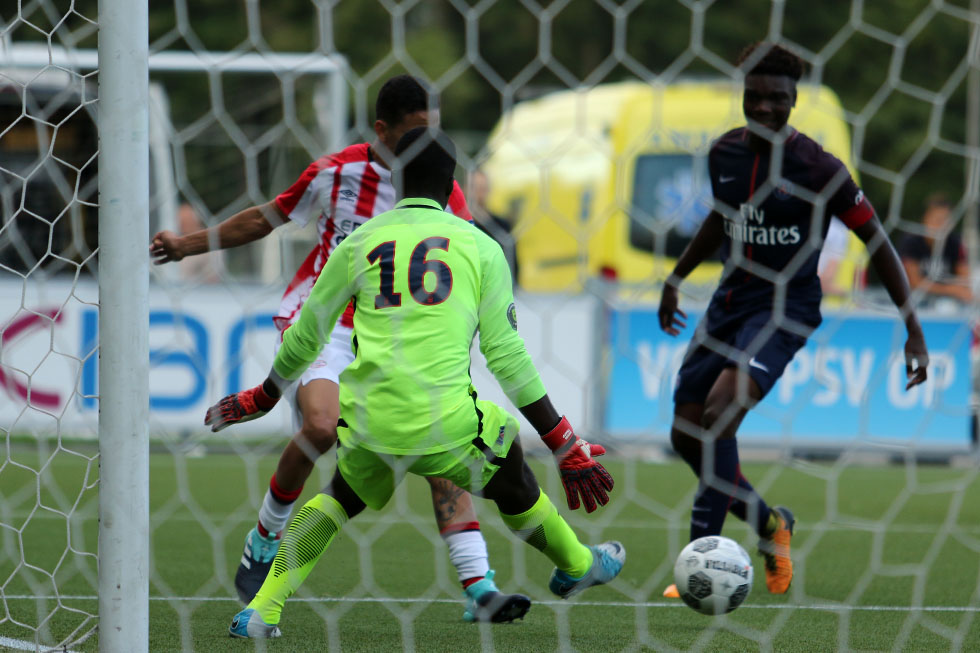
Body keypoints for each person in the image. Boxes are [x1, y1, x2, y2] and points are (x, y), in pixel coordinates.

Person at [206, 127, 623, 639]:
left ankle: (261, 610)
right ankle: (578, 564)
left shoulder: (360, 242)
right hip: (445, 423)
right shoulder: (481, 247)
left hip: (368, 421)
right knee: (509, 463)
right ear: (455, 187)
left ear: (396, 180)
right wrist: (562, 441)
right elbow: (506, 356)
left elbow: (306, 335)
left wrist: (263, 396)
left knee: (337, 497)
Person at [149, 75, 528, 622]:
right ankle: (265, 536)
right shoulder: (334, 173)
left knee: (442, 437)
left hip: (398, 332)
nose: (427, 144)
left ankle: (479, 587)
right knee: (322, 427)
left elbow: (464, 260)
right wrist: (188, 244)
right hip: (326, 322)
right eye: (415, 132)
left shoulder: (440, 180)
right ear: (382, 129)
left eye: (433, 131)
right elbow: (264, 218)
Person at [657, 42, 929, 600]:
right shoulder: (724, 154)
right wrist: (676, 277)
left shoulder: (820, 168)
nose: (763, 108)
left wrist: (913, 326)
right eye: (753, 97)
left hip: (787, 309)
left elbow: (875, 240)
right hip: (731, 302)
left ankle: (697, 564)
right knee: (685, 435)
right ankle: (770, 525)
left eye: (775, 99)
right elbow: (721, 217)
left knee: (717, 416)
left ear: (793, 99)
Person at [898, 193, 972, 304]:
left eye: (946, 220)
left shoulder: (955, 242)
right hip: (914, 301)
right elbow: (913, 282)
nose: (942, 226)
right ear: (926, 219)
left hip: (946, 305)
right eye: (938, 220)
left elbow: (965, 280)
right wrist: (950, 289)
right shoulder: (911, 241)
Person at [469, 168, 518, 282]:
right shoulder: (459, 225)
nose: (479, 194)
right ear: (466, 189)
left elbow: (513, 265)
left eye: (483, 188)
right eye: (475, 188)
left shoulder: (502, 225)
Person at [175, 202, 223, 283]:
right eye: (180, 221)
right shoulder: (175, 242)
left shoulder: (210, 244)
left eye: (186, 221)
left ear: (197, 220)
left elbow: (213, 278)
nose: (181, 224)